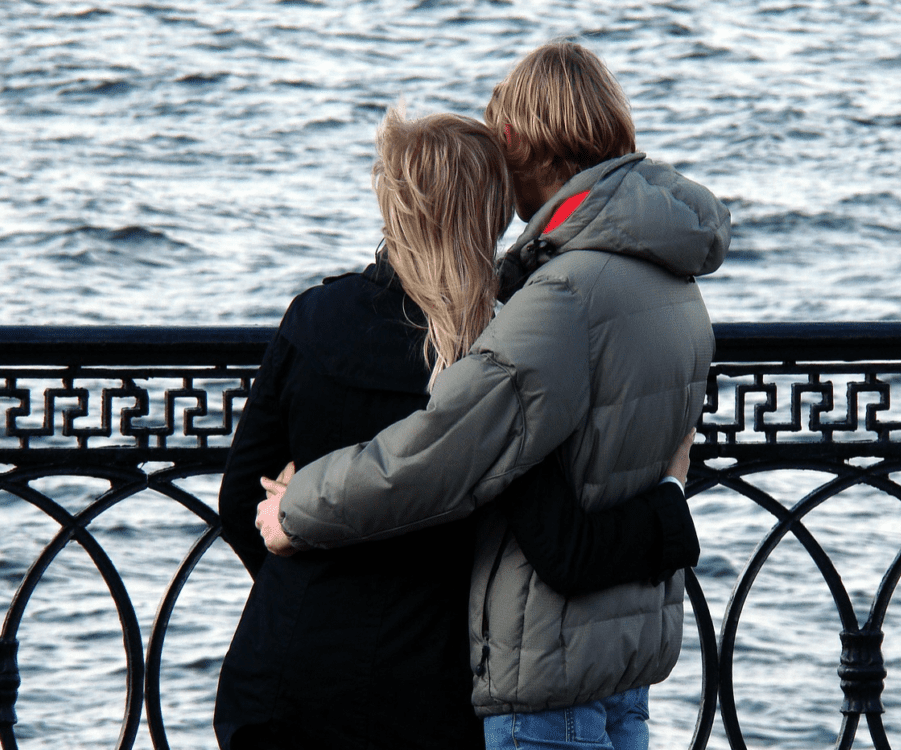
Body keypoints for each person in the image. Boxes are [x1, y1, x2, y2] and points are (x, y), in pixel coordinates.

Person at [258, 41, 730, 750]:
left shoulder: (566, 294)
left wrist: (297, 508)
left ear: (514, 138)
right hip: (621, 661)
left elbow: (442, 451)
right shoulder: (668, 273)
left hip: (547, 671)